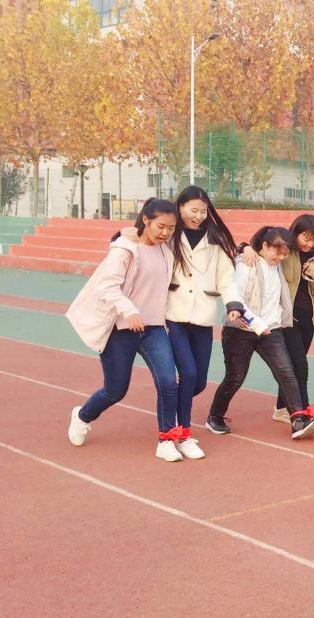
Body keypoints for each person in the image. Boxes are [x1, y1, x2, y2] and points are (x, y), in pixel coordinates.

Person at [108, 185, 245, 459]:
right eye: (193, 210)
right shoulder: (169, 235)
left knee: (198, 382)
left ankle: (172, 413)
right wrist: (123, 233)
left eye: (203, 211)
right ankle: (181, 434)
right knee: (188, 375)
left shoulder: (215, 240)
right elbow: (139, 240)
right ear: (180, 207)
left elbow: (227, 278)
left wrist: (233, 304)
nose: (198, 216)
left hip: (202, 317)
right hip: (173, 317)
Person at [66, 198, 183, 461]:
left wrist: (246, 248)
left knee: (168, 382)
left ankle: (166, 440)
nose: (165, 233)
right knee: (115, 390)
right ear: (146, 220)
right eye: (161, 227)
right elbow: (107, 286)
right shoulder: (124, 250)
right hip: (121, 330)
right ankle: (82, 416)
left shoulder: (167, 250)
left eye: (171, 228)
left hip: (153, 328)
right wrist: (129, 311)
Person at [205, 226, 314, 440]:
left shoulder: (277, 267)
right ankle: (215, 415)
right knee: (235, 377)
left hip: (272, 330)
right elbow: (237, 300)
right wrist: (244, 248)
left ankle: (298, 420)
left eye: (285, 254)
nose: (281, 258)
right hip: (241, 330)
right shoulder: (246, 264)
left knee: (286, 372)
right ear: (264, 246)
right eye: (277, 252)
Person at [240, 214, 314, 428]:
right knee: (300, 366)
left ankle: (282, 409)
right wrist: (244, 247)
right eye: (306, 238)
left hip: (308, 319)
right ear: (296, 233)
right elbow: (262, 246)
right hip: (287, 319)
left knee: (293, 366)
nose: (310, 244)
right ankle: (303, 412)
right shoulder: (285, 250)